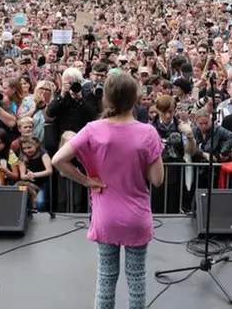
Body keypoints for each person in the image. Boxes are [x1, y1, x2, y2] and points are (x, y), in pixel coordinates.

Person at [52, 72, 164, 309]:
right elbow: (157, 180)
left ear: (107, 99)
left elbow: (58, 160)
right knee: (136, 279)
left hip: (106, 218)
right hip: (137, 217)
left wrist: (86, 181)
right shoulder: (148, 133)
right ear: (135, 98)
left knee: (106, 278)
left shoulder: (93, 129)